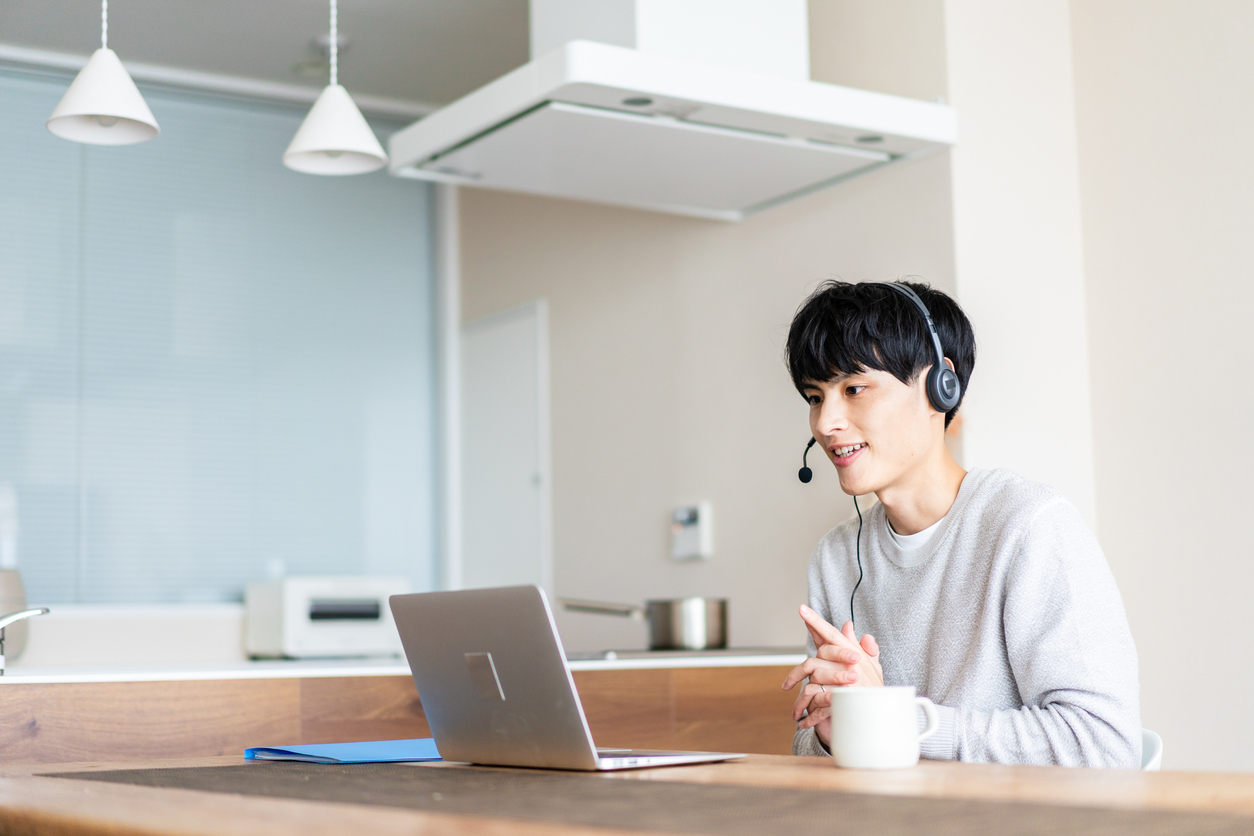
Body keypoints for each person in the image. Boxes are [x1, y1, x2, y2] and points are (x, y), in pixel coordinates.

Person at [780, 280, 1140, 767]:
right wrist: (829, 734)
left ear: (939, 387)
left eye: (853, 389)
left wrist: (895, 719)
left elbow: (1103, 744)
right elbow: (814, 748)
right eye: (815, 397)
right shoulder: (837, 556)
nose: (826, 423)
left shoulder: (1029, 527)